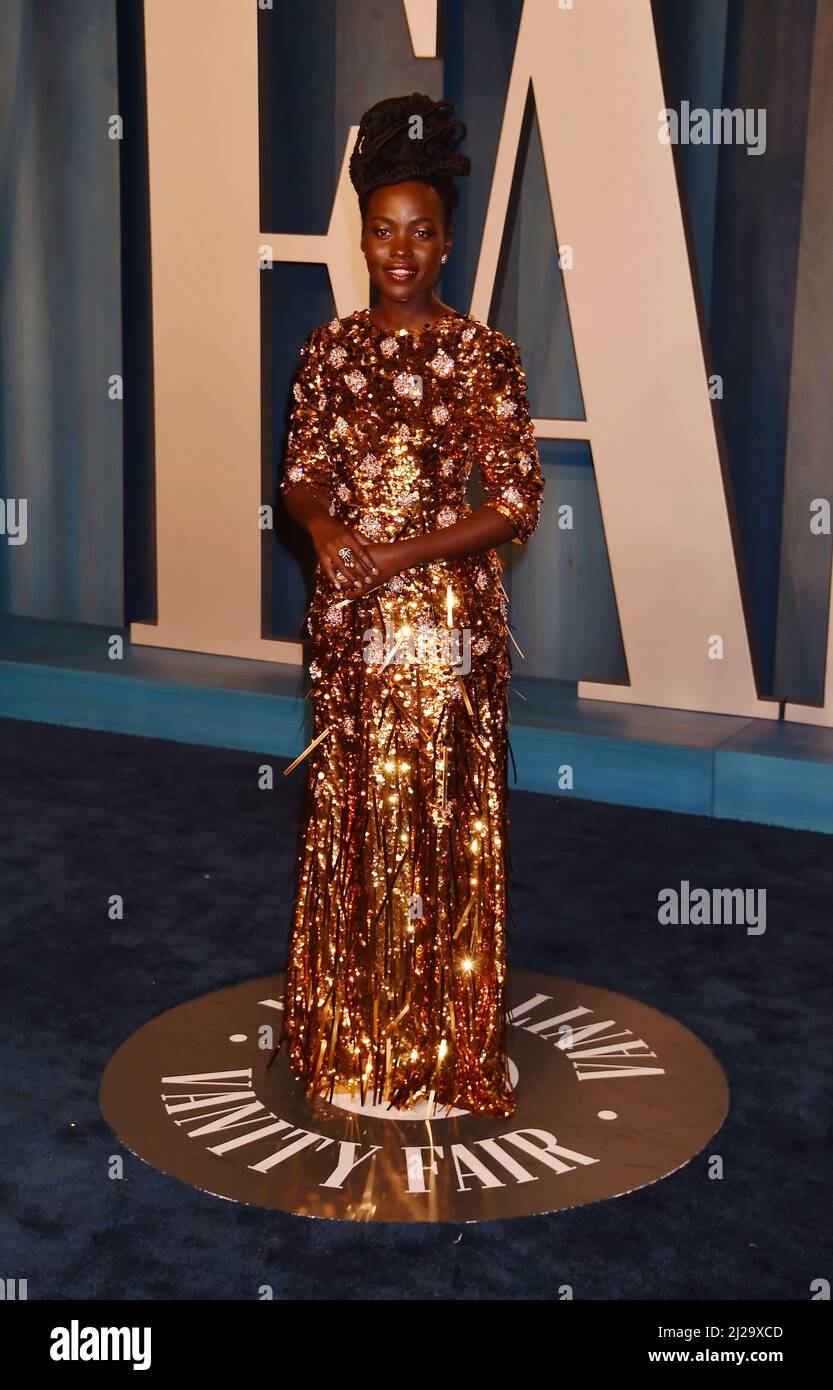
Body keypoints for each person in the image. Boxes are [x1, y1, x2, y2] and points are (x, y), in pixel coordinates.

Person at [274, 93, 544, 1118]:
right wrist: (326, 531)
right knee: (355, 815)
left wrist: (399, 556)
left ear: (445, 239)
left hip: (443, 629)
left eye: (420, 230)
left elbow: (514, 504)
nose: (400, 249)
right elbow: (299, 475)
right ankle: (351, 1030)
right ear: (362, 235)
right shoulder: (327, 351)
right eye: (382, 230)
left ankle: (440, 1038)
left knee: (439, 820)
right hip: (348, 617)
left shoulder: (484, 356)